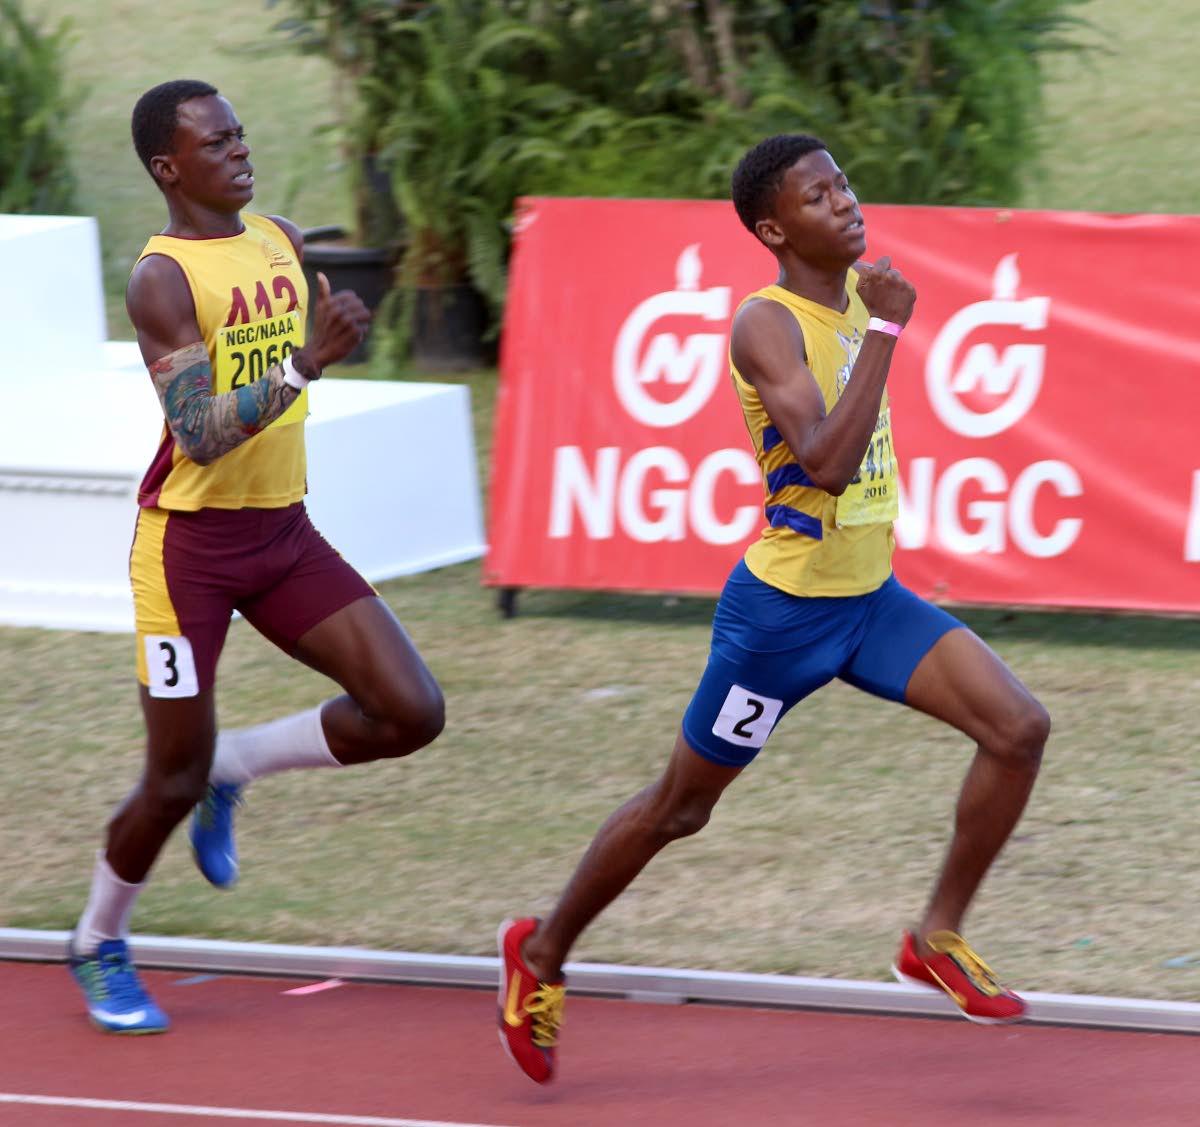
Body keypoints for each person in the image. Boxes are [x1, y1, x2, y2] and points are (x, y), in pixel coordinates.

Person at [497, 133, 1050, 1083]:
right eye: (817, 195)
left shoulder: (858, 301)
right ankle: (540, 951)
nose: (845, 201)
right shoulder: (766, 324)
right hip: (784, 619)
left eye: (845, 183)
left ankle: (934, 936)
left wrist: (875, 324)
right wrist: (887, 333)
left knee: (1018, 727)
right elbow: (826, 464)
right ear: (773, 229)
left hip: (869, 600)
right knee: (680, 808)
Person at [67, 79, 446, 1034]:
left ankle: (237, 762)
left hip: (282, 533)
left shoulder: (280, 237)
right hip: (188, 554)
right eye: (217, 142)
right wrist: (307, 362)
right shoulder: (160, 278)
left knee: (410, 710)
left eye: (240, 133)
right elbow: (197, 431)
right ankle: (97, 939)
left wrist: (326, 345)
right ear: (168, 168)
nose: (240, 150)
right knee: (169, 777)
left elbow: (273, 369)